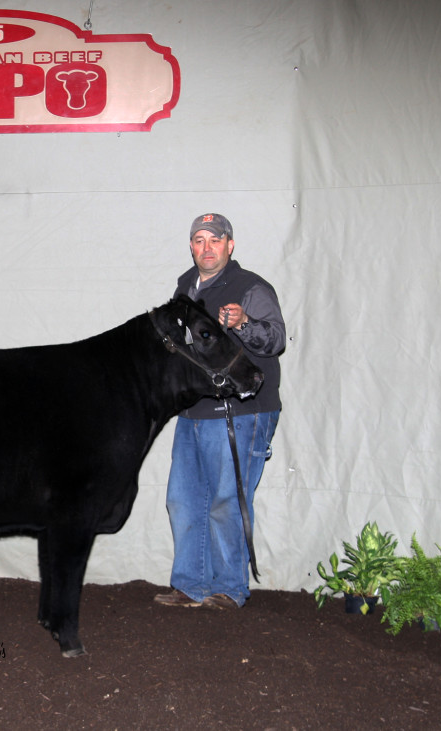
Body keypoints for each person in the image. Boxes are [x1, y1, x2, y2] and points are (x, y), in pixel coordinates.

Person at [153, 213, 285, 610]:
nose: (206, 248)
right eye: (198, 240)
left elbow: (275, 339)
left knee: (227, 498)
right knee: (183, 497)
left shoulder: (251, 287)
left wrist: (243, 323)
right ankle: (190, 584)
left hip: (241, 413)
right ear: (191, 246)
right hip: (194, 409)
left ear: (230, 244)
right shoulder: (184, 288)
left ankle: (229, 587)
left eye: (215, 240)